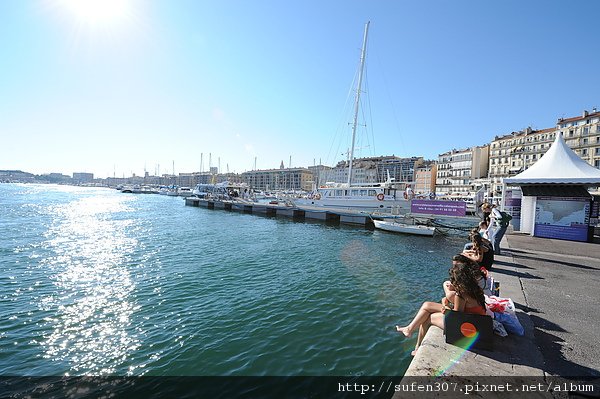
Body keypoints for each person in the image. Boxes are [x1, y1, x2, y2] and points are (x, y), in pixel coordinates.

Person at [396, 254, 488, 355]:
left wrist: (446, 306)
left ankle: (417, 347)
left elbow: (456, 318)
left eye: (453, 279)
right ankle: (410, 330)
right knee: (427, 305)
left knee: (427, 319)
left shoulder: (461, 294)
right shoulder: (474, 288)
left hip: (469, 328)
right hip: (477, 322)